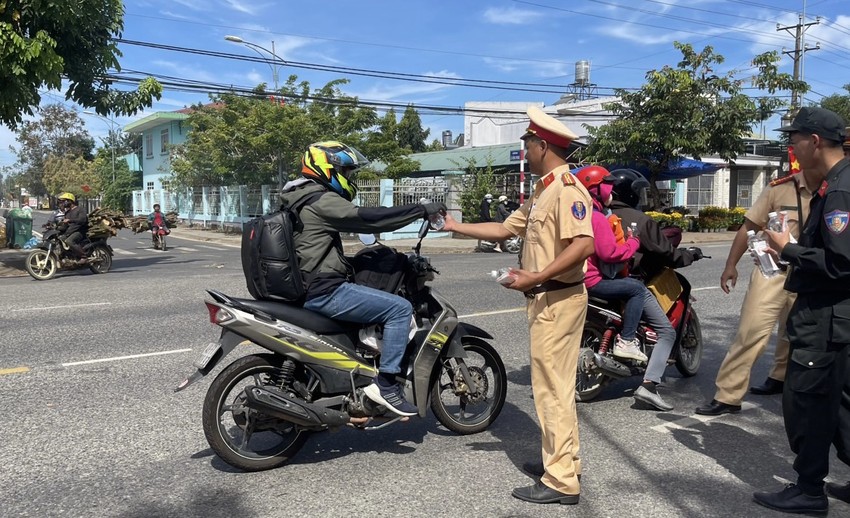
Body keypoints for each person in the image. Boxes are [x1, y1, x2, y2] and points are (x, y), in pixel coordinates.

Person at [443, 106, 593, 505]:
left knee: (552, 393)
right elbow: (504, 229)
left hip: (557, 299)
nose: (524, 149)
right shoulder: (545, 191)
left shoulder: (567, 190)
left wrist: (536, 277)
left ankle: (562, 482)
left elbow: (583, 245)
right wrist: (455, 227)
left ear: (543, 145)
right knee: (554, 389)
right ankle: (563, 464)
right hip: (546, 298)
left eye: (527, 142)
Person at [280, 141, 446, 418]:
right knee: (399, 308)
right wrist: (419, 210)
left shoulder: (297, 198)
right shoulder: (320, 200)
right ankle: (387, 384)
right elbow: (369, 219)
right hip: (324, 291)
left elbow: (313, 249)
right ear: (326, 168)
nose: (348, 177)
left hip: (305, 286)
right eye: (345, 170)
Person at [752, 107, 850, 515]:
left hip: (825, 318)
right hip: (834, 318)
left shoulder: (840, 190)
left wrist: (787, 248)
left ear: (814, 141)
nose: (790, 146)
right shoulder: (836, 183)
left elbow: (841, 263)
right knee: (839, 404)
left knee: (806, 402)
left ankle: (809, 490)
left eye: (794, 139)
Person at [694, 166, 815, 417]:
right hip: (773, 270)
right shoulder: (780, 187)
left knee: (794, 333)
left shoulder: (836, 188)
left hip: (812, 274)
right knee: (750, 331)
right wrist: (730, 265)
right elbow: (748, 226)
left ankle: (781, 376)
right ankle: (728, 395)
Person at [575, 165, 677, 411]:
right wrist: (633, 243)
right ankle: (644, 376)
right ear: (596, 190)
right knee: (661, 323)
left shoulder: (578, 215)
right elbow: (610, 253)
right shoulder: (598, 217)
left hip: (579, 279)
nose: (612, 191)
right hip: (596, 281)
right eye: (607, 186)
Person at [57, 192, 87, 260]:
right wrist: (56, 227)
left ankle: (83, 256)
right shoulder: (67, 212)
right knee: (60, 239)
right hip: (71, 231)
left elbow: (82, 220)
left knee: (69, 241)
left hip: (80, 231)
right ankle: (68, 256)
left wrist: (70, 220)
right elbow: (65, 226)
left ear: (70, 201)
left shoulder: (80, 209)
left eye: (64, 201)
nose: (63, 203)